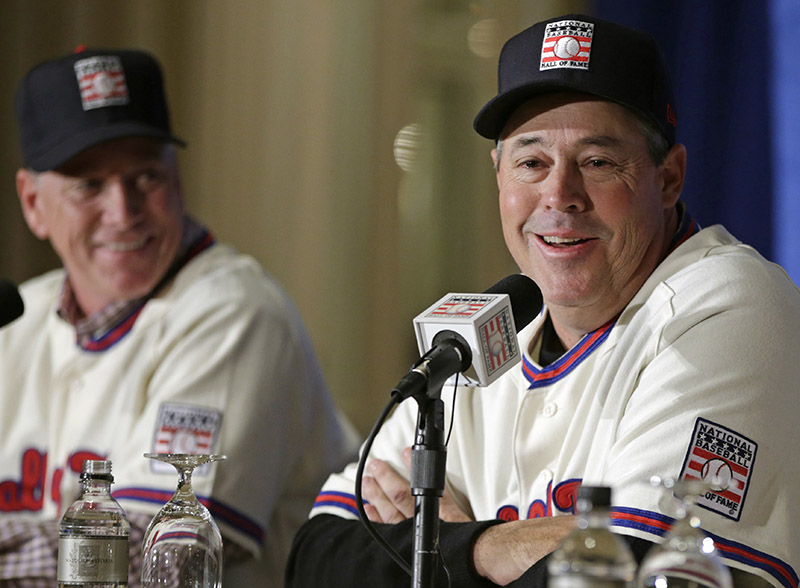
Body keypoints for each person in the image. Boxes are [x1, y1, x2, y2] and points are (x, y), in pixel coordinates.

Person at [286, 13, 800, 588]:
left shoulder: (731, 303)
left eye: (598, 162)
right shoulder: (475, 338)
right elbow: (317, 557)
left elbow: (635, 575)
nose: (560, 195)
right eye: (532, 163)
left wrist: (443, 543)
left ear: (669, 177)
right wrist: (490, 547)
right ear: (499, 176)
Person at [0, 47, 359, 587]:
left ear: (176, 174)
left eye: (145, 176)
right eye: (88, 186)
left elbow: (161, 553)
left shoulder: (234, 311)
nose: (122, 213)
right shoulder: (18, 319)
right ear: (32, 203)